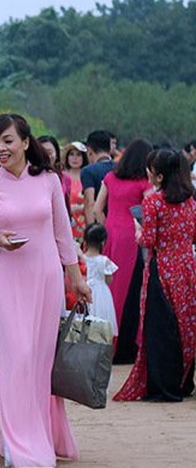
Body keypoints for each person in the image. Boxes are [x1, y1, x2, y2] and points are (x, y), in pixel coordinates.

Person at [0, 113, 91, 468]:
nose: (0, 148)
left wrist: (76, 279)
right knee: (17, 358)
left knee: (39, 360)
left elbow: (63, 234)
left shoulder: (49, 179)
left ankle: (37, 436)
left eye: (7, 140)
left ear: (24, 142)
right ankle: (24, 447)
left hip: (47, 278)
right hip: (10, 279)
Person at [115, 149, 196, 402]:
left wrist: (138, 231)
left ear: (159, 176)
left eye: (150, 171)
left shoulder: (153, 202)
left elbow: (149, 240)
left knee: (161, 328)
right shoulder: (191, 201)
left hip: (162, 269)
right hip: (187, 269)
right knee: (186, 325)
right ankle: (184, 382)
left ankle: (164, 386)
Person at [94, 139, 153, 363]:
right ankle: (129, 346)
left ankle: (109, 344)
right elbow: (146, 214)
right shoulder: (143, 183)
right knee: (133, 292)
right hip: (133, 237)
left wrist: (109, 227)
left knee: (112, 290)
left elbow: (98, 209)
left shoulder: (110, 177)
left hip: (111, 236)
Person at [82, 224, 119, 337]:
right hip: (101, 294)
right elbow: (109, 280)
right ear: (103, 242)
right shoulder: (104, 261)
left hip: (84, 291)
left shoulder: (82, 258)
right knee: (102, 321)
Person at [81, 130, 116, 226]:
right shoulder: (121, 168)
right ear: (109, 148)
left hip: (100, 225)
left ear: (90, 151)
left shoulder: (88, 171)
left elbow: (89, 203)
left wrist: (91, 229)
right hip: (118, 224)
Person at [61, 142, 89, 243]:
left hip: (84, 225)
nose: (75, 158)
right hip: (66, 224)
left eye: (78, 155)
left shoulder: (88, 176)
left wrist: (81, 208)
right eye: (71, 154)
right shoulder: (62, 177)